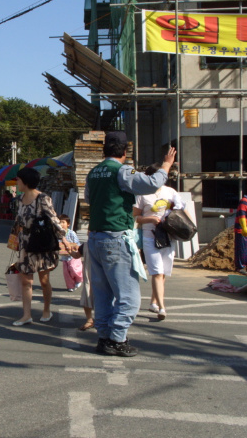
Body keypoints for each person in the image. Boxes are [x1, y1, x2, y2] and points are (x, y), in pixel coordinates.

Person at [85, 131, 176, 357]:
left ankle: (104, 337)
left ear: (104, 150)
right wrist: (166, 165)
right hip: (115, 239)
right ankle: (117, 339)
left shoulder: (93, 172)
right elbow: (151, 184)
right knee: (129, 296)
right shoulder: (123, 170)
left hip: (94, 238)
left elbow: (88, 198)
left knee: (103, 293)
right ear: (125, 152)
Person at [12, 167, 69, 326]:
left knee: (44, 281)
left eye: (18, 179)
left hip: (41, 243)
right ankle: (26, 315)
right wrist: (13, 240)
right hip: (25, 244)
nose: (16, 182)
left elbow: (54, 219)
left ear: (26, 181)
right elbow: (17, 221)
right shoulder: (19, 199)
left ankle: (46, 310)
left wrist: (65, 240)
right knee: (26, 281)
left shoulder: (43, 198)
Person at [133, 164, 185, 321]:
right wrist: (150, 219)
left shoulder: (170, 192)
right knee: (157, 272)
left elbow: (181, 208)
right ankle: (162, 307)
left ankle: (153, 302)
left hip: (168, 236)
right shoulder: (142, 194)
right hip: (150, 236)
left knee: (163, 274)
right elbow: (135, 217)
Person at [69, 242, 94, 331]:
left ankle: (103, 321)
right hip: (89, 278)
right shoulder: (86, 245)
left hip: (103, 277)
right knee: (86, 298)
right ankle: (89, 319)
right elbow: (76, 255)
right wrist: (70, 251)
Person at [58, 214, 83, 292]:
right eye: (59, 223)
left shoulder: (71, 233)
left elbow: (77, 243)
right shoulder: (58, 234)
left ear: (68, 224)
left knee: (73, 268)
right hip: (64, 256)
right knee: (66, 272)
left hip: (73, 255)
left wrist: (73, 247)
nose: (61, 224)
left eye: (63, 222)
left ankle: (79, 279)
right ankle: (70, 286)